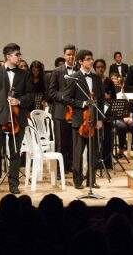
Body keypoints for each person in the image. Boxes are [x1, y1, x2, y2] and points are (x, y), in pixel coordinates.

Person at [0, 43, 33, 195]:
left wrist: (18, 101)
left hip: (17, 116)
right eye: (17, 54)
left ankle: (13, 184)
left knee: (15, 151)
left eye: (19, 54)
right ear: (8, 56)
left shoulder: (25, 74)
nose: (20, 57)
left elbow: (30, 96)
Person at [64, 49, 105, 189]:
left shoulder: (97, 78)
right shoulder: (74, 78)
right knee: (78, 152)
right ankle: (77, 181)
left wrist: (99, 119)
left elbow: (100, 100)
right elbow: (67, 98)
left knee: (93, 152)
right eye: (88, 59)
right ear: (80, 61)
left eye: (91, 59)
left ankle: (91, 180)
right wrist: (82, 104)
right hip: (79, 120)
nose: (91, 61)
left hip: (93, 119)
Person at [49, 44, 77, 173]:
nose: (71, 57)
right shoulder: (57, 71)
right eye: (68, 54)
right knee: (61, 141)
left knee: (73, 141)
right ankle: (61, 169)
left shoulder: (79, 70)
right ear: (64, 55)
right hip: (60, 111)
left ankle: (72, 166)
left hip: (75, 111)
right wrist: (63, 96)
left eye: (72, 54)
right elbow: (52, 92)